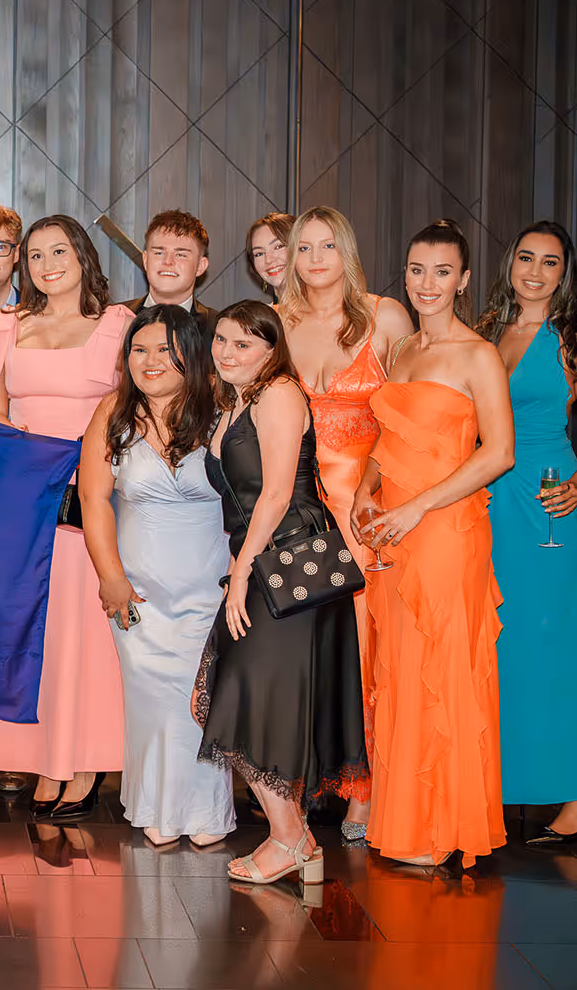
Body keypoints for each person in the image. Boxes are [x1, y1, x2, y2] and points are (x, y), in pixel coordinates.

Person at [356, 220, 514, 868]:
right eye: (417, 270)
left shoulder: (478, 354)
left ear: (465, 279)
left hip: (446, 530)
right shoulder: (401, 351)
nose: (427, 284)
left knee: (443, 672)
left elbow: (500, 454)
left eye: (442, 272)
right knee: (399, 671)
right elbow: (384, 435)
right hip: (393, 531)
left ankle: (443, 829)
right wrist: (367, 488)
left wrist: (419, 505)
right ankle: (408, 824)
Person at [195, 301, 366, 885]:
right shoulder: (233, 401)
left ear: (271, 350)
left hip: (290, 569)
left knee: (243, 695)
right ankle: (296, 840)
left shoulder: (280, 394)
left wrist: (240, 573)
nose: (227, 352)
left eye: (244, 343)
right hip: (263, 565)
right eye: (221, 340)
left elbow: (273, 496)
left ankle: (290, 839)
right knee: (229, 695)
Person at [0, 213, 130, 816]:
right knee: (29, 625)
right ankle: (36, 754)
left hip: (90, 493)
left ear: (84, 256)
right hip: (22, 495)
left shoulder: (117, 324)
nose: (47, 264)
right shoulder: (7, 326)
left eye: (59, 251)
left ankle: (82, 761)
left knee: (83, 629)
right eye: (34, 255)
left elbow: (133, 411)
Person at [276, 206, 412, 840]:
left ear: (347, 250)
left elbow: (414, 415)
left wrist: (381, 488)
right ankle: (304, 779)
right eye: (304, 248)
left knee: (364, 649)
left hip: (365, 505)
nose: (316, 258)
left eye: (328, 245)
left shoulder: (384, 317)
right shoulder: (277, 324)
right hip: (299, 507)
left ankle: (366, 787)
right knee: (307, 649)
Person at [79, 304, 233, 847]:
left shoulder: (222, 411)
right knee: (151, 703)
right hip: (138, 592)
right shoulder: (112, 413)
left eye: (165, 350)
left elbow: (248, 499)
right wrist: (110, 577)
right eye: (139, 350)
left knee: (201, 699)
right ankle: (156, 807)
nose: (150, 361)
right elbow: (93, 499)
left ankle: (206, 812)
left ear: (190, 355)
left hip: (210, 589)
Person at [477, 222, 577, 845]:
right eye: (526, 258)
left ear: (564, 273)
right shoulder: (487, 329)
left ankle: (571, 798)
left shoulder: (570, 337)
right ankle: (499, 788)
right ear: (510, 262)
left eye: (550, 262)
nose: (535, 272)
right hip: (490, 497)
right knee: (501, 640)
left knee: (552, 643)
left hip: (549, 499)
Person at [125, 209, 218, 341]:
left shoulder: (217, 329)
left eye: (180, 255)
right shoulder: (113, 319)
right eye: (159, 253)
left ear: (200, 266)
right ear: (145, 260)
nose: (168, 262)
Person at [246, 212, 294, 297]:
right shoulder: (261, 310)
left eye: (278, 247)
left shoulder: (323, 308)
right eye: (259, 254)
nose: (268, 260)